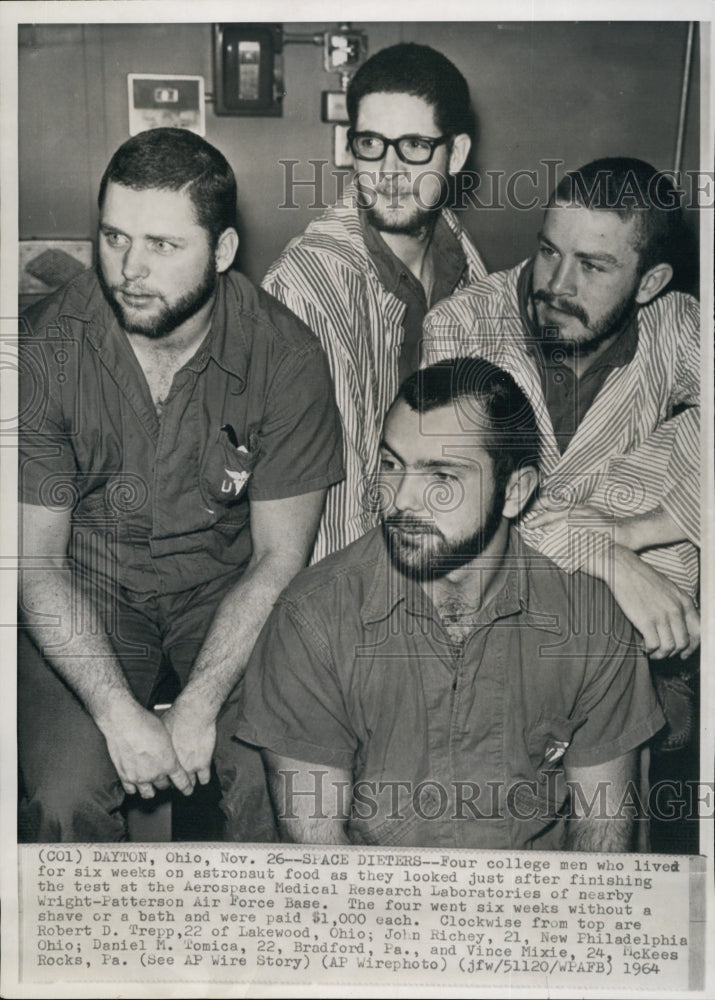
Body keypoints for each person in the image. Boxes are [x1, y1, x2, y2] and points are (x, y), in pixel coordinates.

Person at [18, 127, 344, 843]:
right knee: (63, 797)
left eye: (162, 246)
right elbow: (35, 563)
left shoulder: (286, 357)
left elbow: (277, 559)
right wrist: (114, 711)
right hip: (88, 588)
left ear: (222, 252)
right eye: (113, 238)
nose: (129, 268)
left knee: (269, 780)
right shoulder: (45, 348)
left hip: (221, 594)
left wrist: (198, 705)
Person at [234, 359, 664, 850]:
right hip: (378, 913)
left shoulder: (592, 625)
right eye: (392, 465)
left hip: (533, 913)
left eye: (442, 474)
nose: (402, 500)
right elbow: (322, 861)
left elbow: (602, 835)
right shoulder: (312, 620)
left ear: (515, 491)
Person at [422, 158, 700, 667]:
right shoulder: (462, 326)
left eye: (593, 265)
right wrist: (604, 555)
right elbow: (456, 495)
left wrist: (637, 532)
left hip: (630, 635)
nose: (557, 285)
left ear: (649, 283)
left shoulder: (676, 325)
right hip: (487, 620)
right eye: (549, 250)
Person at [263, 42, 487, 562]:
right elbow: (324, 507)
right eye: (370, 144)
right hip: (341, 570)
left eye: (413, 146)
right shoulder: (305, 284)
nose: (387, 172)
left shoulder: (471, 266)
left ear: (454, 155)